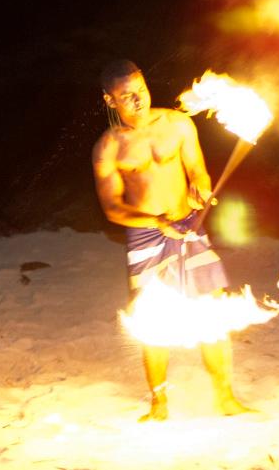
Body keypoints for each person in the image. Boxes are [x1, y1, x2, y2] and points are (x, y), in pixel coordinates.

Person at [92, 60, 250, 421]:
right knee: (154, 319)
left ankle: (225, 398)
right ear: (109, 100)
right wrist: (155, 221)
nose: (138, 100)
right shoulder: (108, 148)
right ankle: (159, 404)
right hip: (147, 235)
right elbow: (113, 208)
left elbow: (197, 170)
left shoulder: (178, 123)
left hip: (189, 225)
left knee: (211, 310)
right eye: (127, 96)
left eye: (142, 90)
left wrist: (202, 189)